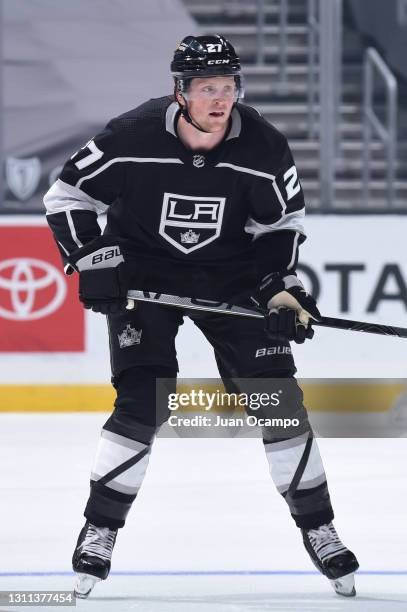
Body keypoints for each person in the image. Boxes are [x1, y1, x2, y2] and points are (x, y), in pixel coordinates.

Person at [44, 34, 359, 599]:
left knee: (278, 401)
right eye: (207, 88)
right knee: (141, 402)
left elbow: (280, 227)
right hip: (145, 277)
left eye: (229, 87)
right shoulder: (130, 136)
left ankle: (320, 528)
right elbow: (68, 197)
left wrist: (279, 291)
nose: (220, 99)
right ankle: (100, 529)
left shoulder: (263, 146)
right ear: (180, 92)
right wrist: (95, 263)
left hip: (232, 278)